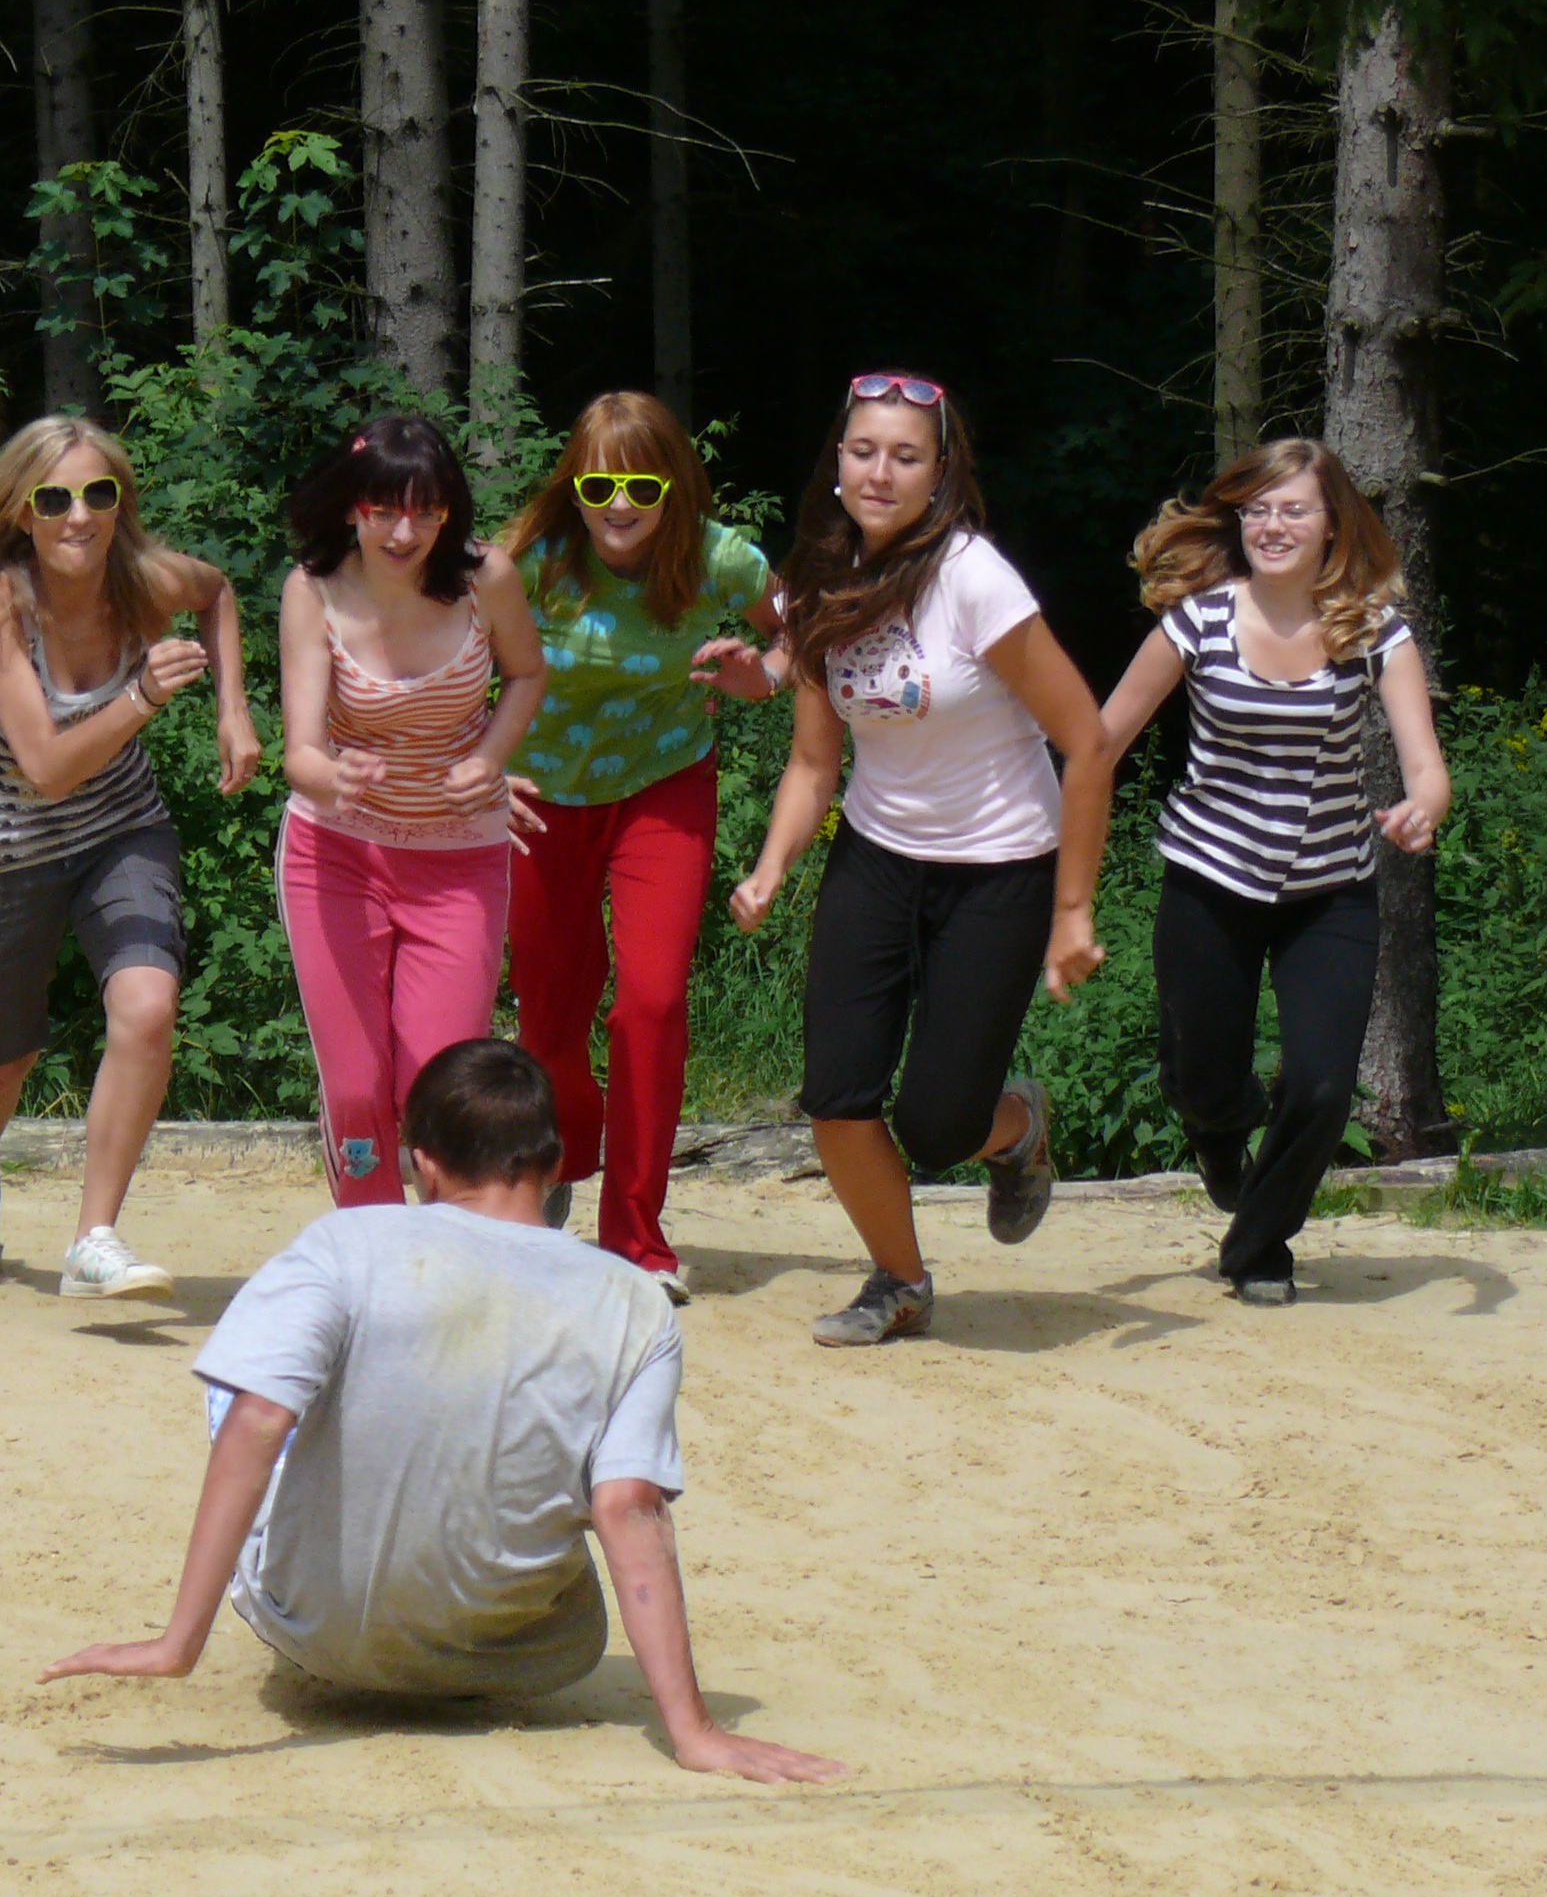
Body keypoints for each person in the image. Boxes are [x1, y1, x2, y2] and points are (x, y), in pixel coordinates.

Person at [42, 1038, 844, 1787]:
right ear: (554, 1163)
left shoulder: (344, 1243)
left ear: (423, 1162)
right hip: (523, 1655)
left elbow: (259, 1421)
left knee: (246, 1383)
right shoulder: (638, 1302)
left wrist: (179, 1642)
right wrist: (694, 1731)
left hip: (319, 1632)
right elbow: (628, 1505)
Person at [729, 372, 1113, 1347]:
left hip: (1001, 866)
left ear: (940, 473)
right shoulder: (820, 580)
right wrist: (771, 867)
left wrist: (1073, 909)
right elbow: (814, 761)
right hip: (876, 856)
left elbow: (1088, 740)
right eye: (864, 451)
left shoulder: (975, 579)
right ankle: (899, 1281)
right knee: (836, 1097)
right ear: (839, 460)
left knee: (939, 1126)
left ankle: (1017, 1128)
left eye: (906, 456)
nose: (880, 472)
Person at [0, 415, 261, 1299]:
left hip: (121, 829)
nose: (79, 515)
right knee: (2, 1055)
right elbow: (48, 768)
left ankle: (93, 1238)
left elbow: (217, 592)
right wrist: (142, 696)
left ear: (119, 505)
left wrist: (232, 709)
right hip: (8, 850)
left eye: (98, 494)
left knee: (148, 1006)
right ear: (22, 513)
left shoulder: (146, 580)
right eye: (54, 498)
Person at [1095, 439, 1447, 1306]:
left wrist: (1423, 805)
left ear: (1332, 524)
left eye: (1294, 509)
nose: (1273, 525)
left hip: (1329, 890)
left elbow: (1426, 767)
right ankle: (1218, 1132)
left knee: (1322, 1085)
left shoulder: (1373, 629)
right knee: (1205, 1084)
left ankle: (1259, 1244)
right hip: (1209, 879)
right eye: (1257, 510)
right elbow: (1102, 740)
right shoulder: (1198, 622)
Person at [497, 389, 789, 1298]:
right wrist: (479, 767)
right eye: (598, 485)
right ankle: (562, 1150)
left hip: (664, 785)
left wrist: (763, 674)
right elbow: (453, 662)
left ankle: (635, 1239)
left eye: (640, 485)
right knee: (550, 1022)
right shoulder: (530, 561)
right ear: (573, 488)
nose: (618, 504)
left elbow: (797, 631)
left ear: (674, 487)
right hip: (540, 800)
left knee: (652, 1003)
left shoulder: (719, 558)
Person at [275, 413, 546, 1209]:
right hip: (336, 854)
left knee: (438, 1084)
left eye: (427, 512)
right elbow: (300, 753)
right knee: (357, 1087)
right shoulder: (312, 589)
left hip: (459, 862)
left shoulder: (485, 578)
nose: (404, 532)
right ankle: (370, 1244)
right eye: (385, 510)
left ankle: (445, 1248)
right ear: (350, 507)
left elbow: (527, 674)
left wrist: (488, 759)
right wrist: (333, 776)